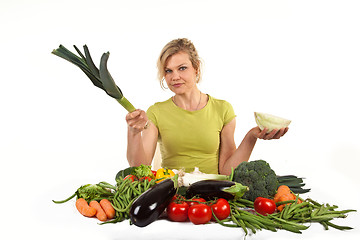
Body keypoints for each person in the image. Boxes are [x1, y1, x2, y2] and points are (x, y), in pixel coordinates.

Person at [125, 38, 288, 175]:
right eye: (168, 71)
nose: (175, 77)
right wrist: (133, 132)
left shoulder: (222, 109)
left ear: (196, 68)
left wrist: (252, 136)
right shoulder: (156, 112)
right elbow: (140, 167)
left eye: (182, 68)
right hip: (172, 198)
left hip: (211, 198)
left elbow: (226, 172)